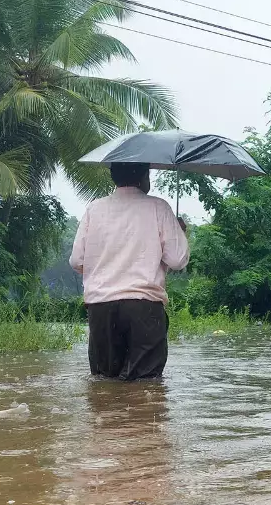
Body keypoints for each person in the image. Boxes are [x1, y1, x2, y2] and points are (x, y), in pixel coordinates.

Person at [69, 162, 189, 380]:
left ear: (113, 176)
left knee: (105, 382)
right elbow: (178, 259)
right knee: (145, 385)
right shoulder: (159, 207)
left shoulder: (94, 209)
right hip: (144, 307)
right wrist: (179, 232)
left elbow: (77, 260)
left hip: (101, 308)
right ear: (145, 176)